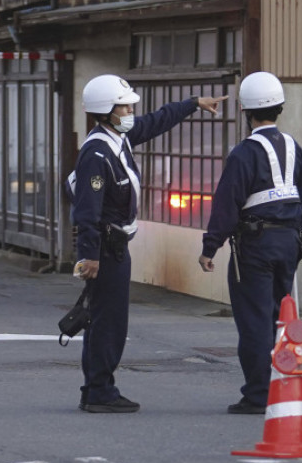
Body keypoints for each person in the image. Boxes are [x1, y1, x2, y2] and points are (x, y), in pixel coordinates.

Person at [72, 74, 226, 413]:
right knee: (108, 320)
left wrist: (193, 104)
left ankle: (97, 387)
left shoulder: (118, 139)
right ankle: (99, 390)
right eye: (124, 106)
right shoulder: (97, 153)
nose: (130, 111)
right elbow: (87, 210)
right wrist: (89, 256)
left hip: (115, 246)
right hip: (105, 249)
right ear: (105, 110)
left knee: (108, 319)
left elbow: (156, 122)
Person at [197, 72, 302, 414]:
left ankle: (259, 394)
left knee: (254, 319)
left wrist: (209, 247)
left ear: (246, 111)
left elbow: (227, 203)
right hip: (289, 241)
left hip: (255, 244)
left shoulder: (244, 154)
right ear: (280, 108)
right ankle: (289, 384)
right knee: (283, 316)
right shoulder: (296, 149)